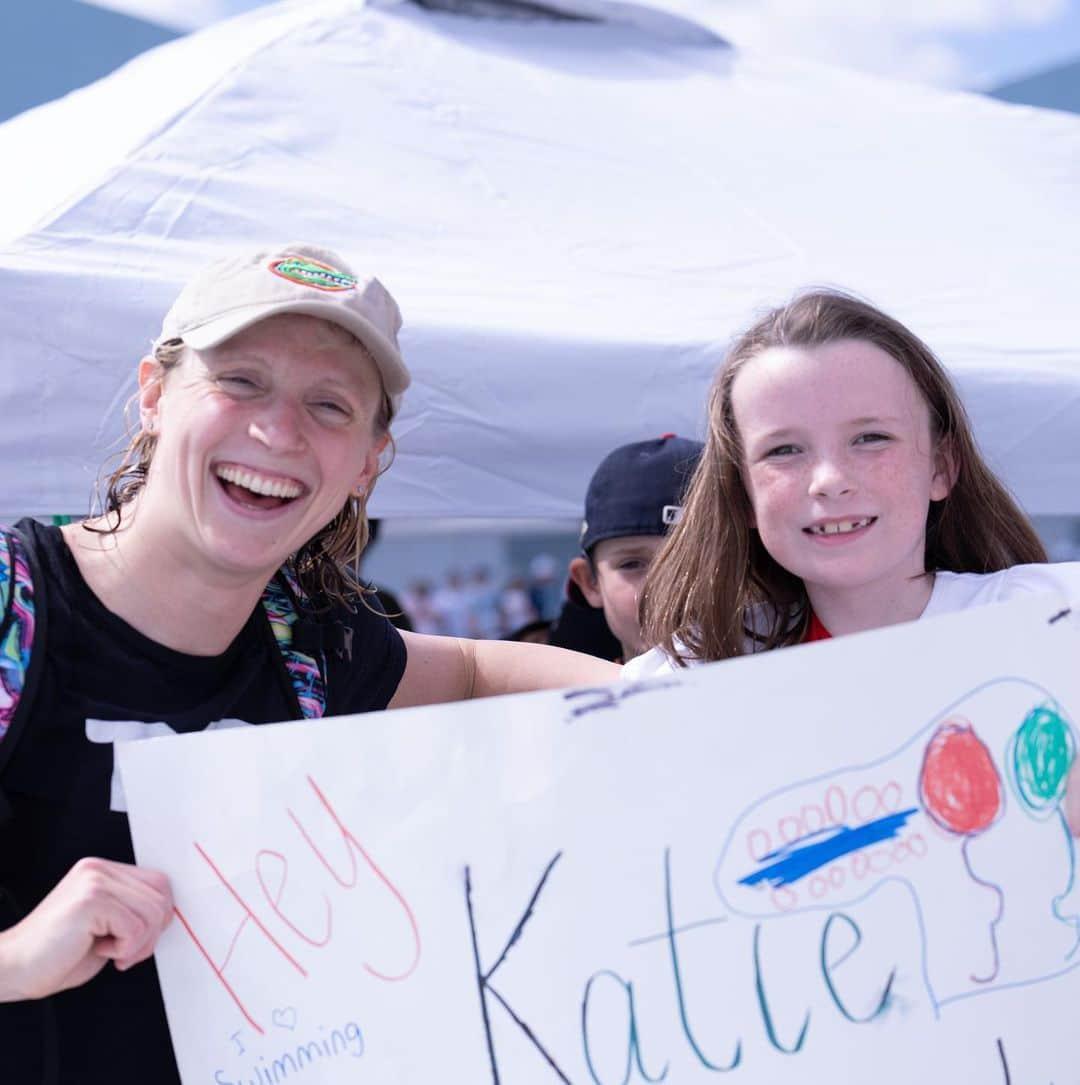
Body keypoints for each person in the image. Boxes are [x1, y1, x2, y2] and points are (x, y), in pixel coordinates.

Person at [0, 242, 616, 1084]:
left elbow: (475, 669)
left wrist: (694, 701)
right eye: (242, 380)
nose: (278, 430)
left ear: (367, 464)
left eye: (329, 404)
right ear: (154, 394)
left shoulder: (313, 649)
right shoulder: (15, 608)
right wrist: (13, 959)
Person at [624, 289, 1080, 831]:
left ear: (941, 466)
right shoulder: (707, 668)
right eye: (784, 450)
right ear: (742, 493)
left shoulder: (1056, 617)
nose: (831, 481)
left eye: (870, 438)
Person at [550, 434, 703, 662]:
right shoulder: (551, 696)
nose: (667, 587)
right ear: (590, 582)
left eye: (697, 559)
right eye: (632, 564)